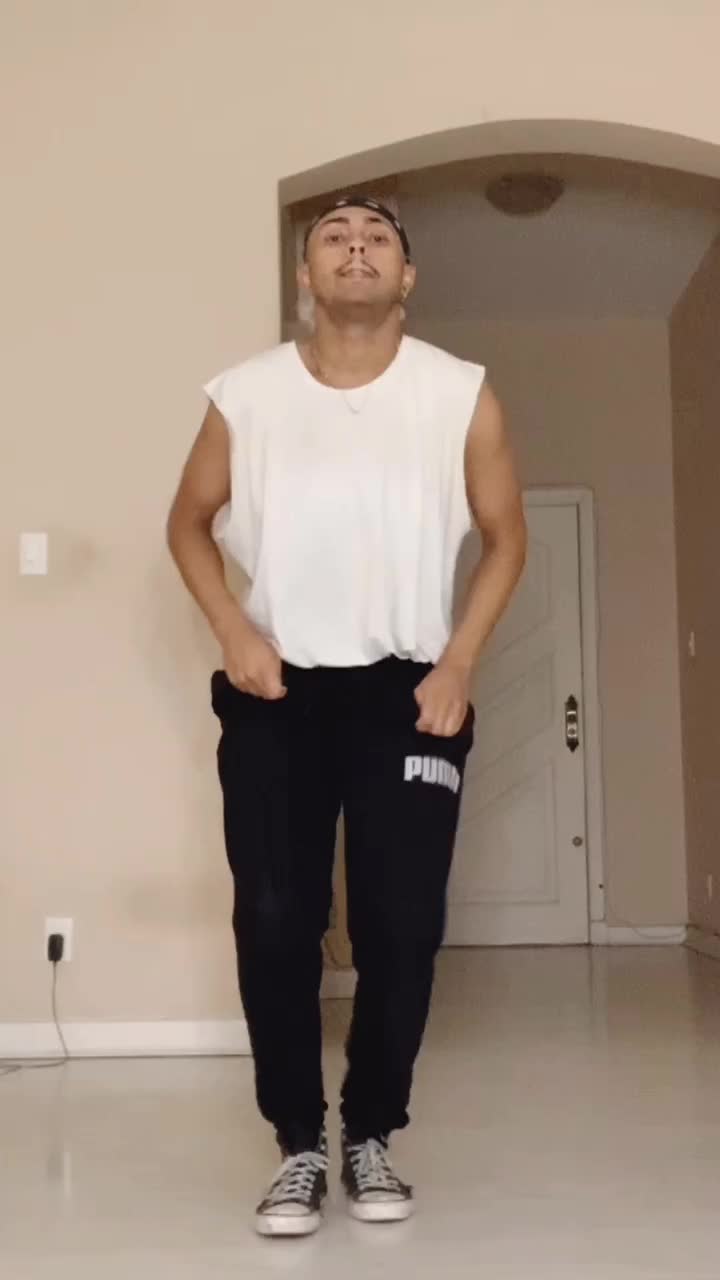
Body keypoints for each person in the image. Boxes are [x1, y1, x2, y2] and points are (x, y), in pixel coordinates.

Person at [166, 195, 527, 1238]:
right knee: (276, 919)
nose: (356, 246)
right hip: (275, 690)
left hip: (410, 691)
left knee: (400, 925)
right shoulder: (246, 394)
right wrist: (234, 629)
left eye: (377, 238)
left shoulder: (459, 392)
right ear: (305, 277)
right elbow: (187, 522)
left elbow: (506, 537)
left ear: (406, 276)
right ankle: (296, 1145)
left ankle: (370, 1131)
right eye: (333, 236)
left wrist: (458, 662)